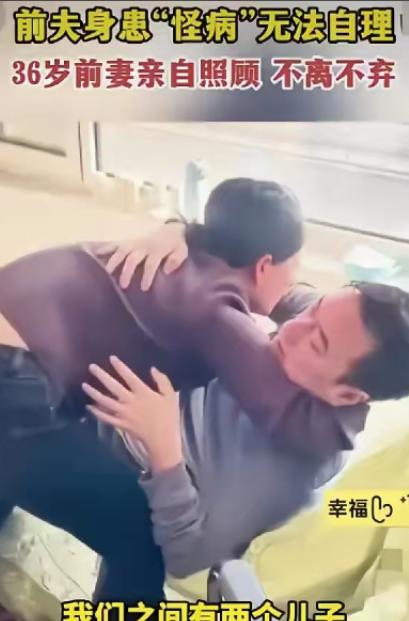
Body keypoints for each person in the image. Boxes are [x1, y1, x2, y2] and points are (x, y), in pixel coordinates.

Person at [0, 178, 304, 605]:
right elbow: (289, 397)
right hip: (12, 383)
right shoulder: (217, 311)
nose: (295, 282)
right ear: (264, 265)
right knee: (140, 530)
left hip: (17, 365)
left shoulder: (185, 256)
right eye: (295, 269)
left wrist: (175, 226)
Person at [84, 231, 409, 581]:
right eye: (313, 311)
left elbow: (186, 557)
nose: (292, 328)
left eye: (316, 344)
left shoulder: (282, 471)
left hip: (105, 435)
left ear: (347, 396)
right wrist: (182, 236)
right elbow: (283, 291)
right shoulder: (337, 331)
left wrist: (164, 451)